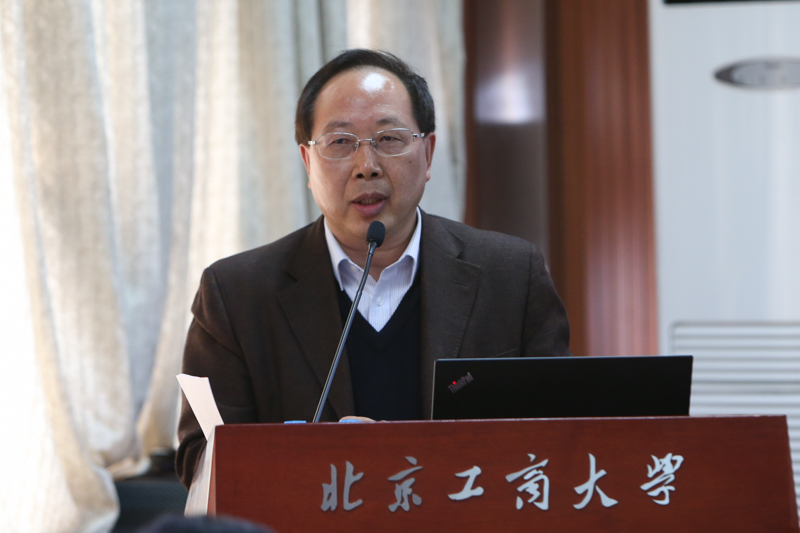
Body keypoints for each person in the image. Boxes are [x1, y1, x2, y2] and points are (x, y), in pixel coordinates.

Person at [176, 49, 570, 488]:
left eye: (389, 139)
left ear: (428, 153)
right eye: (341, 142)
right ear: (308, 162)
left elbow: (563, 438)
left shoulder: (511, 277)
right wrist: (315, 458)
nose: (367, 167)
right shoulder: (236, 295)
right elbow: (202, 460)